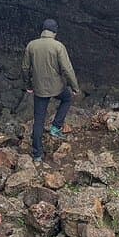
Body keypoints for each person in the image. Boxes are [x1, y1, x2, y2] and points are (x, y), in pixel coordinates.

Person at [22, 18, 79, 163]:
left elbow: (25, 68)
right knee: (67, 98)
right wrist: (74, 87)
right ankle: (56, 127)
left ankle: (37, 155)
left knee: (39, 120)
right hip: (57, 87)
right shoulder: (58, 46)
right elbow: (67, 69)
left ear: (42, 30)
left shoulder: (31, 45)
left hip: (39, 89)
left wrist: (28, 85)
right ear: (54, 31)